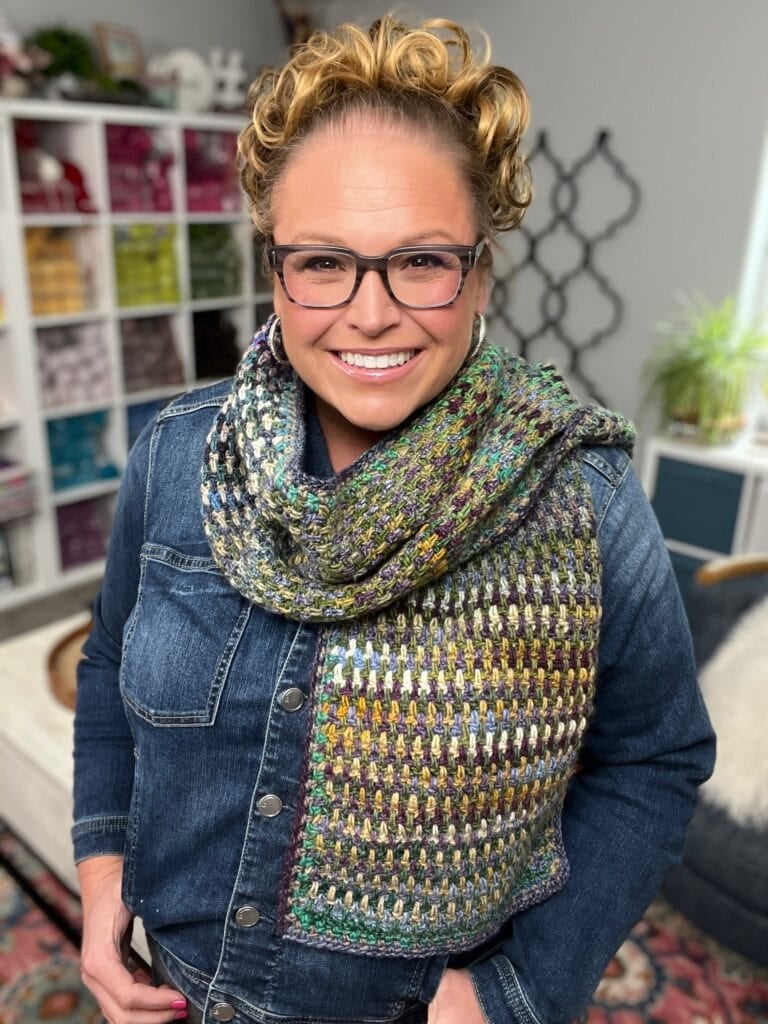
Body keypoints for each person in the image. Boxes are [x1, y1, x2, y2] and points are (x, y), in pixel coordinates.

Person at [72, 15, 715, 1024]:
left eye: (419, 261)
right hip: (176, 994)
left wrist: (516, 993)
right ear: (275, 268)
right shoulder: (177, 456)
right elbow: (109, 661)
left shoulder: (580, 497)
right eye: (323, 262)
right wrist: (103, 871)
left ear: (481, 270)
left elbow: (654, 757)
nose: (370, 314)